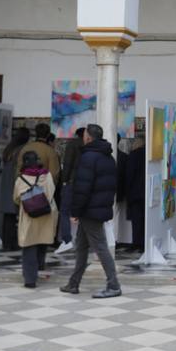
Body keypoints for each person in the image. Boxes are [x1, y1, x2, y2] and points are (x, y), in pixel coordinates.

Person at [62, 123, 121, 298]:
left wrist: (75, 211)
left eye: (85, 135)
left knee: (100, 247)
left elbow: (82, 188)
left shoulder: (88, 157)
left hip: (90, 210)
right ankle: (74, 283)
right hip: (99, 207)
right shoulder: (108, 157)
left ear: (88, 137)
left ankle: (114, 285)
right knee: (81, 246)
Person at [14, 149, 58, 288]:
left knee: (29, 246)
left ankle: (30, 279)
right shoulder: (47, 176)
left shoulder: (20, 179)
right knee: (42, 241)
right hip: (46, 213)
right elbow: (51, 192)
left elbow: (16, 198)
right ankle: (40, 269)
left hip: (29, 215)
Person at [0, 126, 31, 251]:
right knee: (15, 215)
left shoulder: (9, 149)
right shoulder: (22, 150)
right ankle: (13, 242)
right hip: (15, 183)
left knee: (8, 216)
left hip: (6, 184)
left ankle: (7, 242)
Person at [56, 126, 85, 251]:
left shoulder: (72, 145)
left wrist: (64, 180)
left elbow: (67, 164)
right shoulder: (89, 146)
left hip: (72, 181)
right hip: (85, 182)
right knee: (84, 213)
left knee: (64, 211)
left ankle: (67, 240)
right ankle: (81, 240)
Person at [118, 137, 146, 252]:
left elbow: (129, 176)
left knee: (136, 220)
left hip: (135, 193)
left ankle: (136, 243)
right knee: (145, 219)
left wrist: (126, 191)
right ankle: (144, 244)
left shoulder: (133, 156)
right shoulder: (148, 154)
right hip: (147, 193)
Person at [20, 124, 61, 198]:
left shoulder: (25, 148)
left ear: (36, 133)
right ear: (48, 135)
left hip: (25, 191)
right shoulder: (50, 151)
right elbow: (54, 175)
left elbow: (18, 170)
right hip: (43, 192)